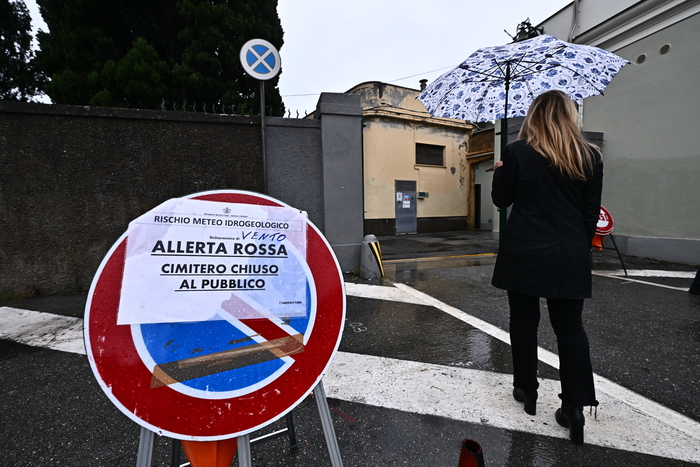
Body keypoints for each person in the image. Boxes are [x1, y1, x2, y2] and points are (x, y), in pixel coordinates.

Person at [491, 90, 603, 445]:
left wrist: (499, 172)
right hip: (569, 252)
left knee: (524, 323)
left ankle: (527, 389)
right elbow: (590, 214)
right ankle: (574, 407)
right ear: (570, 115)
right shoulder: (590, 157)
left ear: (533, 115)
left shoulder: (517, 152)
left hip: (524, 250)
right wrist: (576, 249)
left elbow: (501, 200)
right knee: (570, 330)